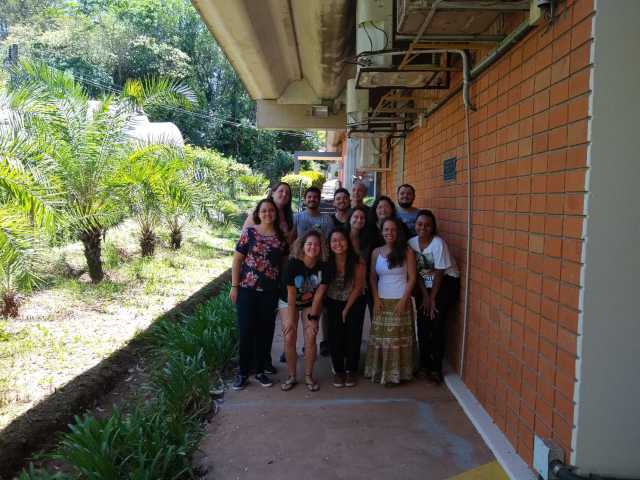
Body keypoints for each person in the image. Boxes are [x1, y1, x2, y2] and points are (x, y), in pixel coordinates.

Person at [230, 198, 289, 390]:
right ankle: (243, 372)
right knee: (247, 332)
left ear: (276, 213)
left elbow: (284, 264)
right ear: (259, 213)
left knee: (265, 332)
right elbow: (237, 260)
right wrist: (234, 286)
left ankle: (261, 371)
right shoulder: (249, 233)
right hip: (247, 290)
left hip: (270, 292)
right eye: (264, 211)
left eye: (271, 210)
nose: (267, 214)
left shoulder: (281, 237)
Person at [243, 181, 294, 372]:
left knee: (267, 323)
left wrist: (285, 279)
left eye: (287, 193)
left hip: (274, 279)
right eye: (281, 191)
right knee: (252, 324)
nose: (284, 195)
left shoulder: (288, 219)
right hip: (252, 279)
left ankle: (264, 361)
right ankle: (251, 363)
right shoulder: (259, 212)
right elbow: (242, 244)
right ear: (272, 193)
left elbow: (285, 253)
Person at [408, 210, 461, 388]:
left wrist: (431, 299)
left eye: (427, 225)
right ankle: (424, 363)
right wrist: (425, 296)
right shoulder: (411, 243)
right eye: (420, 224)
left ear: (433, 227)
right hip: (425, 285)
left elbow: (439, 274)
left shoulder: (438, 244)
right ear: (415, 225)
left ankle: (436, 369)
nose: (423, 227)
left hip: (446, 282)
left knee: (436, 323)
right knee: (422, 324)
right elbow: (416, 274)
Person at [365, 217, 418, 386]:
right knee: (382, 339)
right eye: (386, 230)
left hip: (400, 301)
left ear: (398, 232)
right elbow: (372, 278)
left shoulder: (407, 251)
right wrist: (375, 298)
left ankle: (397, 375)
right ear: (382, 232)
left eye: (393, 230)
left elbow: (412, 278)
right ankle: (381, 372)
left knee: (397, 339)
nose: (390, 233)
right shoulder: (376, 252)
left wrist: (404, 301)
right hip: (381, 301)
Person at [279, 229, 330, 392]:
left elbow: (319, 294)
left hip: (310, 302)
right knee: (289, 335)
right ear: (303, 245)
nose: (313, 247)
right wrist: (289, 319)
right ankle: (292, 376)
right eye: (309, 244)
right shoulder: (293, 263)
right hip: (289, 301)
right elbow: (291, 293)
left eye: (316, 244)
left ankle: (308, 375)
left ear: (321, 246)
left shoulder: (324, 264)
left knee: (311, 334)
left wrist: (314, 316)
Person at [325, 227, 367, 388]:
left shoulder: (358, 261)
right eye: (334, 240)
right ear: (329, 244)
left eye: (341, 239)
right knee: (335, 335)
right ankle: (338, 370)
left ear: (347, 241)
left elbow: (357, 288)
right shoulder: (327, 261)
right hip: (333, 300)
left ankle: (350, 370)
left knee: (353, 334)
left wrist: (347, 309)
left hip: (355, 300)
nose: (338, 243)